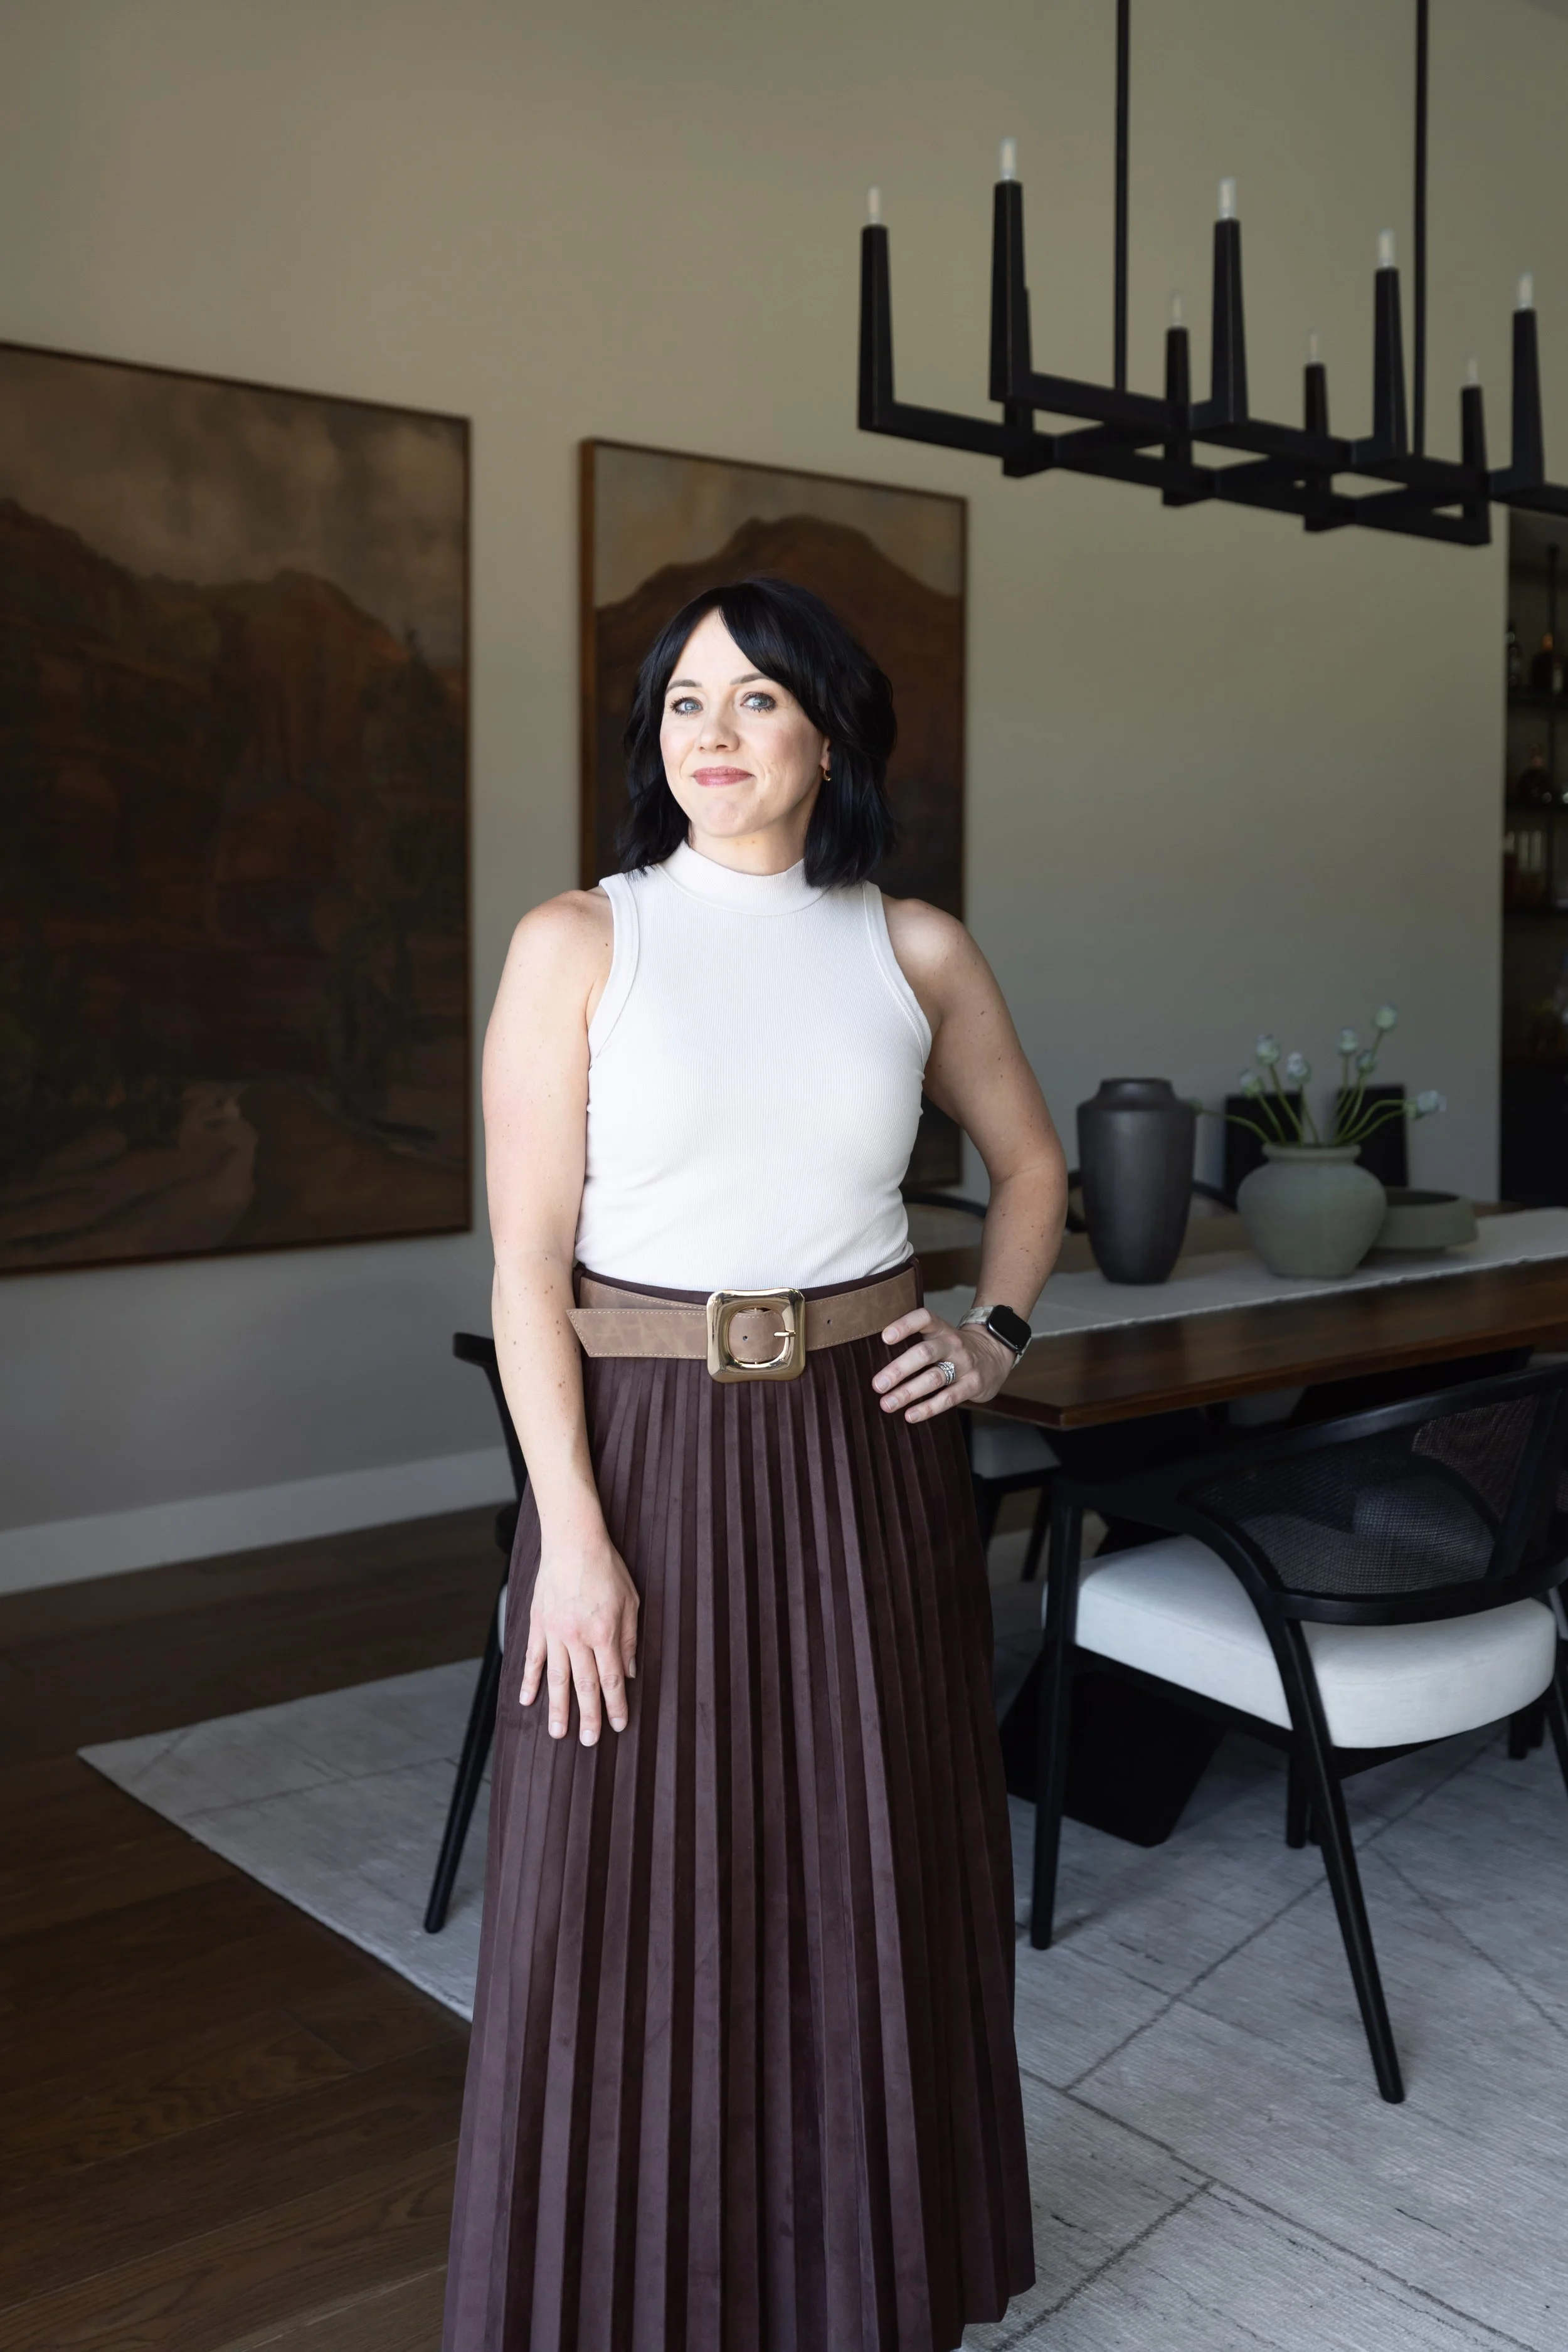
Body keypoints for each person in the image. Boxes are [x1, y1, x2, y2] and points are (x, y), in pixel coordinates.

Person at [443, 576, 1066, 2352]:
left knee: (872, 1856)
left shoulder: (913, 945)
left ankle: (873, 2287)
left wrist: (995, 1333)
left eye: (755, 701)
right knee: (611, 1879)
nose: (712, 737)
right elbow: (524, 1264)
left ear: (829, 732)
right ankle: (606, 2297)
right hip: (636, 1450)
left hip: (864, 1441)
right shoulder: (580, 937)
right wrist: (568, 1539)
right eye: (682, 706)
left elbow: (1029, 1169)